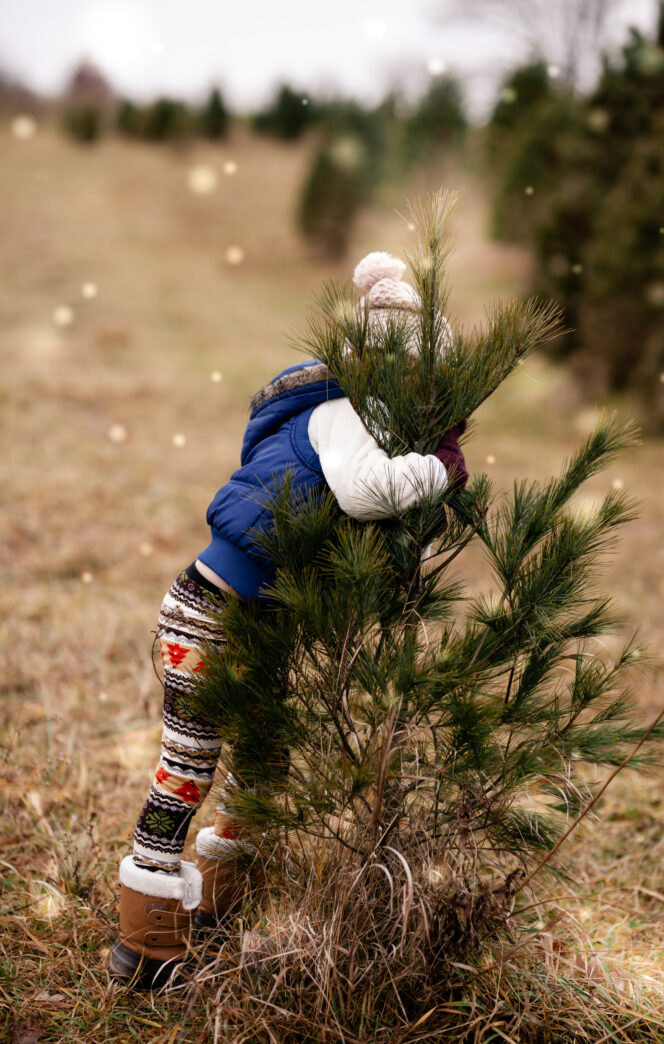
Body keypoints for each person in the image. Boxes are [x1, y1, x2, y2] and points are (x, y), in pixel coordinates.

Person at [108, 251, 469, 989]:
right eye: (418, 385)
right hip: (210, 612)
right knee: (188, 764)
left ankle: (215, 902)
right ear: (385, 370)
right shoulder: (339, 415)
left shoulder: (365, 420)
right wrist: (440, 468)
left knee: (263, 763)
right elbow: (370, 492)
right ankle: (144, 945)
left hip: (263, 621)